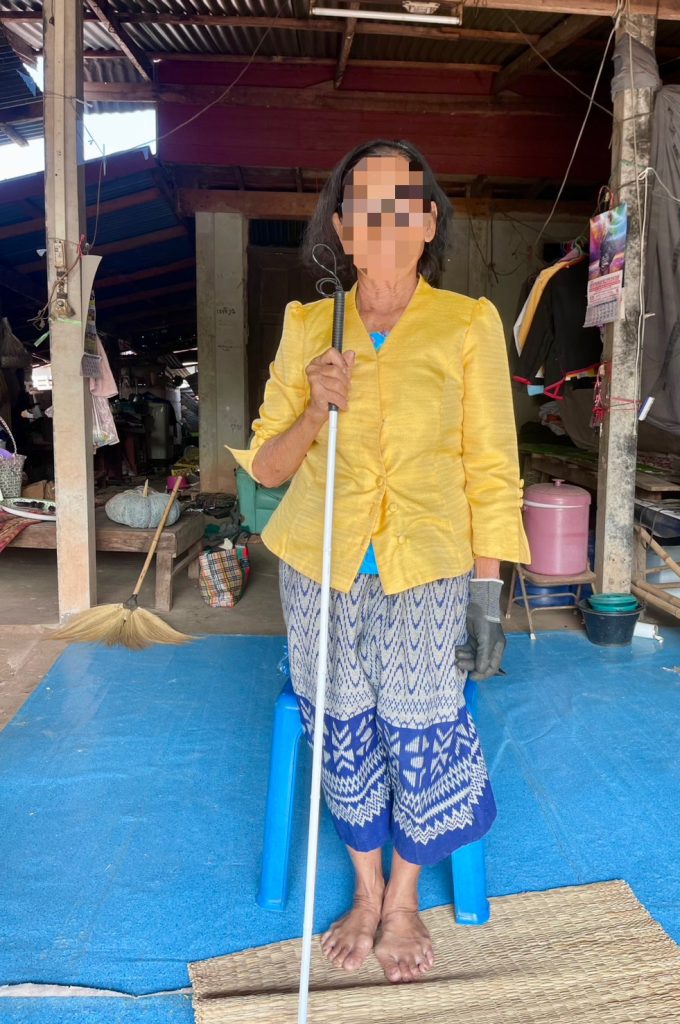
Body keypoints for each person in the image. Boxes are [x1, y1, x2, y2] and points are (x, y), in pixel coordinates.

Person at [228, 139, 530, 984]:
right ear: (343, 229)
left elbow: (493, 468)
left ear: (428, 222)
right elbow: (267, 469)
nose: (383, 220)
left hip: (428, 563)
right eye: (365, 205)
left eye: (402, 204)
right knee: (341, 713)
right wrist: (314, 410)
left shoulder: (467, 323)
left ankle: (403, 899)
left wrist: (487, 593)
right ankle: (364, 893)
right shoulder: (307, 326)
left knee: (417, 712)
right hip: (319, 562)